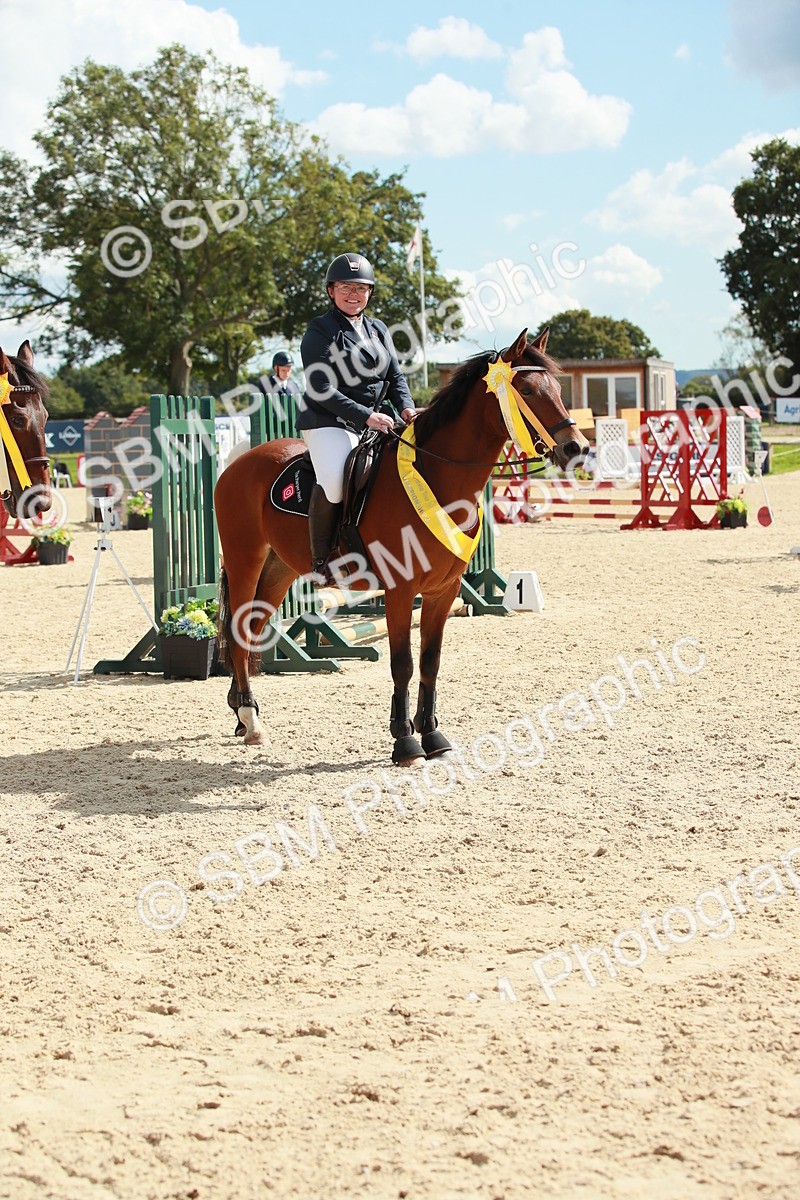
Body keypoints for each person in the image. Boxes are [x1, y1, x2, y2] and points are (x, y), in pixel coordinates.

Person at [296, 252, 416, 583]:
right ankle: (321, 560)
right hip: (328, 421)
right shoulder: (320, 329)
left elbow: (395, 376)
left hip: (378, 419)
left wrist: (406, 406)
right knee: (336, 482)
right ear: (331, 291)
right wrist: (366, 416)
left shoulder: (377, 328)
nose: (354, 294)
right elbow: (321, 387)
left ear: (370, 293)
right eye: (346, 287)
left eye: (361, 288)